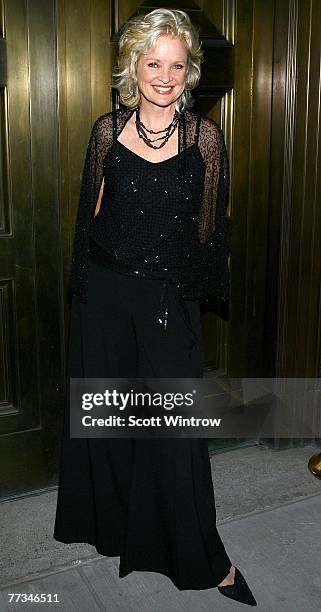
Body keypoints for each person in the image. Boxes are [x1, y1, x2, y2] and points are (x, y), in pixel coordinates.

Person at [53, 8, 257, 607]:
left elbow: (205, 231)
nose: (164, 77)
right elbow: (90, 218)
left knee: (174, 433)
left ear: (189, 71)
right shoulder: (104, 131)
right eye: (152, 63)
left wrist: (178, 302)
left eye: (176, 65)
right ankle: (115, 530)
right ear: (133, 67)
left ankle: (206, 559)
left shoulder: (205, 140)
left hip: (167, 299)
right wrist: (87, 297)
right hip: (106, 298)